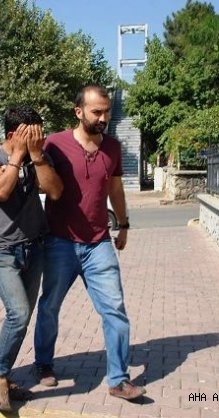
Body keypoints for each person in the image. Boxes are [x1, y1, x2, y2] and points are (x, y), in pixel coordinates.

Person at [33, 84, 146, 401]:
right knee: (50, 306)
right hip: (60, 242)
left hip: (99, 244)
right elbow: (42, 185)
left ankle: (118, 380)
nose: (104, 118)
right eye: (97, 112)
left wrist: (123, 224)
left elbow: (115, 189)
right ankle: (43, 363)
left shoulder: (113, 147)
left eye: (107, 111)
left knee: (115, 311)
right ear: (78, 111)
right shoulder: (55, 144)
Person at [0, 105, 63, 412]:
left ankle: (5, 376)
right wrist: (17, 156)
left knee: (22, 318)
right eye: (32, 135)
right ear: (14, 134)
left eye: (41, 134)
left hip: (34, 248)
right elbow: (0, 190)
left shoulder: (38, 157)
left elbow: (54, 191)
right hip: (0, 251)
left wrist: (36, 155)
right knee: (19, 313)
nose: (40, 139)